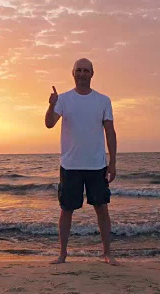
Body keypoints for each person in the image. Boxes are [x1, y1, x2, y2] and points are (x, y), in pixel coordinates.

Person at [44, 58, 118, 265]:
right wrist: (50, 106)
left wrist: (112, 162)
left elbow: (110, 131)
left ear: (92, 74)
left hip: (96, 164)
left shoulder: (103, 100)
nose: (82, 73)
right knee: (66, 209)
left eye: (86, 70)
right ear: (73, 73)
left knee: (101, 207)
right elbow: (49, 124)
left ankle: (107, 253)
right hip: (70, 165)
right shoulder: (64, 99)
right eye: (79, 70)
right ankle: (62, 254)